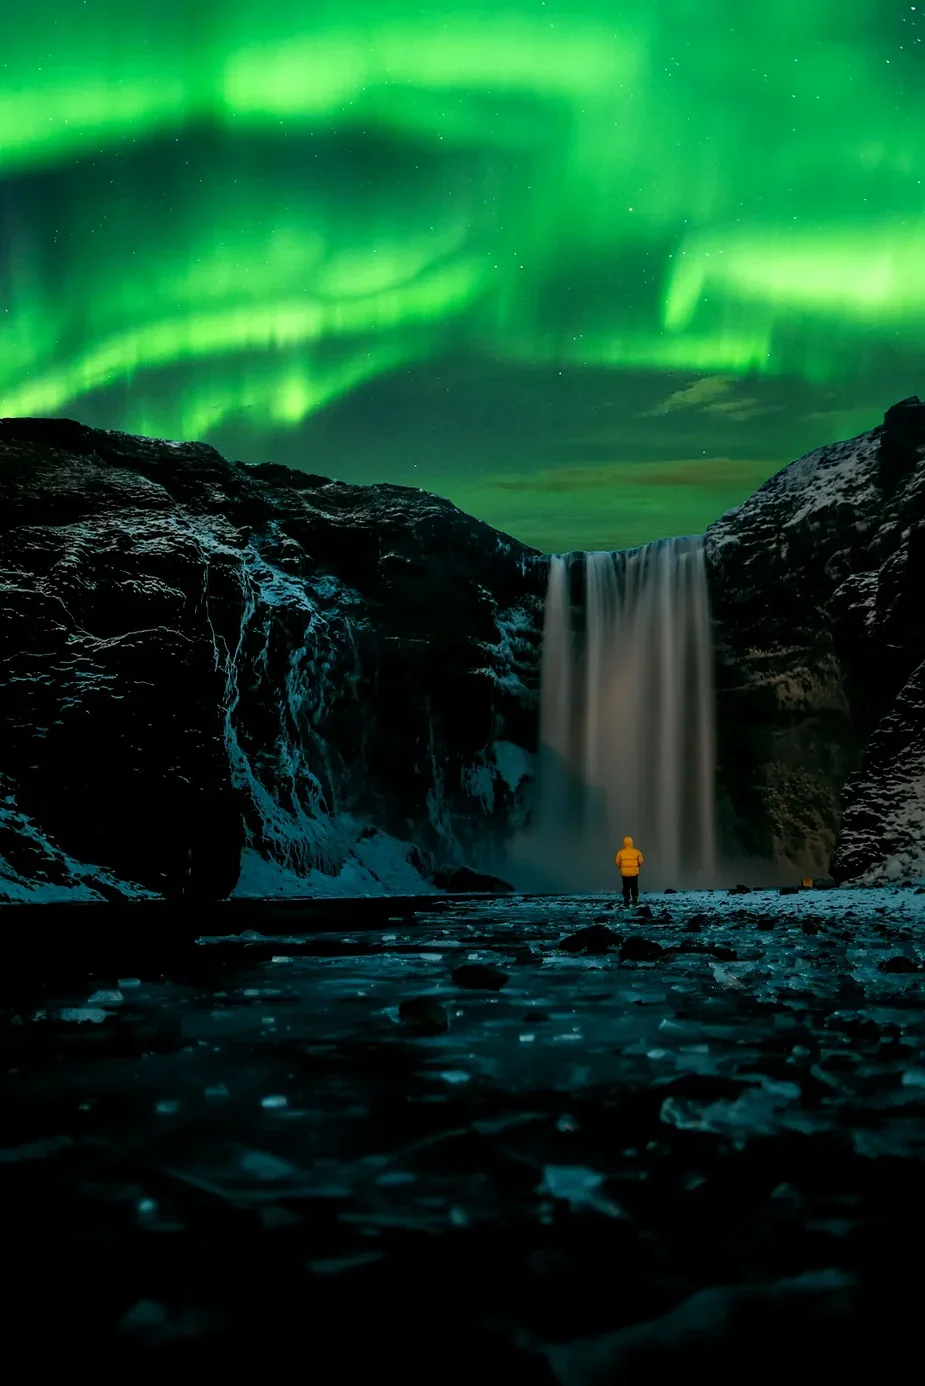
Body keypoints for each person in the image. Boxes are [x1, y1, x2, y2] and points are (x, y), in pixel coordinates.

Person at [615, 835, 644, 905]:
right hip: (634, 872)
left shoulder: (620, 852)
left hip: (624, 873)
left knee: (626, 886)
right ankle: (634, 899)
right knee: (634, 886)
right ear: (632, 843)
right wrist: (637, 866)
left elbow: (617, 862)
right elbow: (641, 861)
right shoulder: (637, 852)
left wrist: (622, 867)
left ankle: (626, 899)